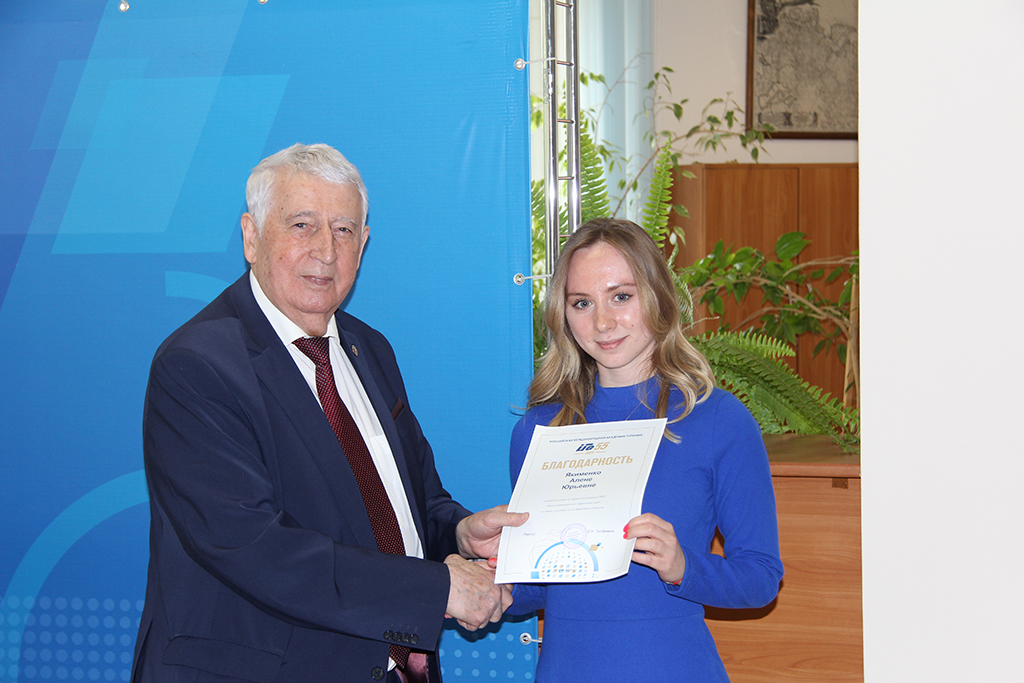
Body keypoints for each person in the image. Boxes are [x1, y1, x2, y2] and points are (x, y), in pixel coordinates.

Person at [132, 143, 526, 683]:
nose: (325, 250)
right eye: (302, 225)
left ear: (363, 244)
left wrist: (458, 533)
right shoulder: (197, 365)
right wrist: (440, 590)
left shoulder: (370, 349)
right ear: (251, 236)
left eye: (344, 230)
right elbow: (254, 547)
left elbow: (406, 505)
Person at [506, 218, 783, 682]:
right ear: (562, 314)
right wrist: (495, 582)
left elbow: (760, 578)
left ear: (657, 296)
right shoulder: (539, 429)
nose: (602, 322)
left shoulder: (719, 421)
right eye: (582, 302)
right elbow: (543, 588)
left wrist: (684, 566)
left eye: (621, 296)